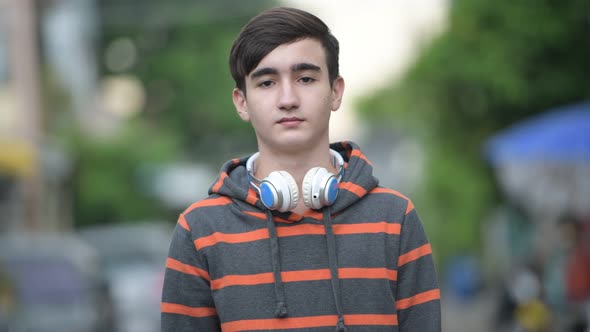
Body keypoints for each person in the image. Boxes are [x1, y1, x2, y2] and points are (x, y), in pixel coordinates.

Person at [161, 7, 441, 331]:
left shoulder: (394, 219)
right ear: (242, 102)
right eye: (266, 82)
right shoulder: (199, 231)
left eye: (305, 78)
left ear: (335, 91)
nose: (288, 98)